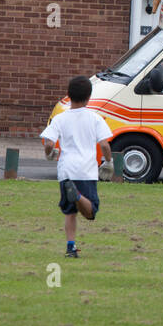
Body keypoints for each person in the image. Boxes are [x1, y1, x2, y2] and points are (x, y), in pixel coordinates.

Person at [41, 76, 113, 258]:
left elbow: (49, 143)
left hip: (66, 170)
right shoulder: (95, 118)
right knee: (91, 212)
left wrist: (50, 154)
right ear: (89, 97)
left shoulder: (59, 119)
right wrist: (109, 162)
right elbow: (104, 145)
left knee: (70, 211)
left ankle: (70, 247)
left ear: (69, 95)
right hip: (86, 170)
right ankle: (79, 195)